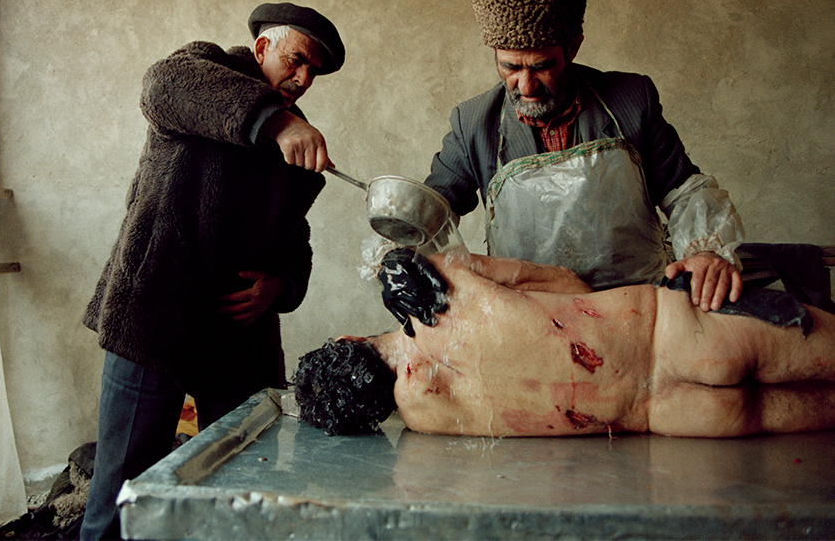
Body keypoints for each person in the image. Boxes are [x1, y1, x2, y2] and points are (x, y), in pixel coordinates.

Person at [79, 2, 345, 540]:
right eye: (296, 61)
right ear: (263, 48)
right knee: (121, 494)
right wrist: (278, 120)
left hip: (236, 336)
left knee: (244, 482)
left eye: (313, 71)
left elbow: (297, 243)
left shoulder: (292, 142)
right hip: (151, 315)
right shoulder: (205, 68)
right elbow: (163, 84)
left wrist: (279, 285)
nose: (303, 78)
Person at [424, 0, 745, 312]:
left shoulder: (631, 100)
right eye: (510, 67)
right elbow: (430, 210)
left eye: (542, 65)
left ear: (573, 47)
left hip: (637, 306)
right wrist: (397, 255)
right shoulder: (473, 123)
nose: (526, 85)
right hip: (531, 312)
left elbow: (686, 193)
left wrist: (705, 252)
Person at [294, 249, 835, 439]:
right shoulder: (442, 281)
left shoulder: (423, 420)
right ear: (348, 338)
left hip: (683, 416)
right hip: (677, 334)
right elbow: (571, 286)